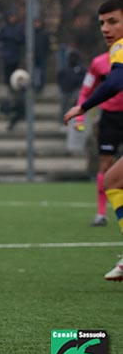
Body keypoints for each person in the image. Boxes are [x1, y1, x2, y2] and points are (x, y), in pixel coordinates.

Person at [64, 0, 123, 280]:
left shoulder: (120, 48)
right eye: (102, 23)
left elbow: (116, 82)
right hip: (111, 120)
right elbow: (93, 84)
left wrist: (83, 108)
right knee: (111, 179)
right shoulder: (103, 59)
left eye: (113, 21)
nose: (105, 28)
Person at [72, 51, 113, 227]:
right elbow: (85, 91)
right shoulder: (99, 63)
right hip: (110, 118)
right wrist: (80, 117)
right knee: (105, 165)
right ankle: (101, 214)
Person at [57, 49, 85, 124]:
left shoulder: (81, 68)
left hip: (76, 89)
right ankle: (62, 121)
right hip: (66, 90)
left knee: (77, 102)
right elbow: (60, 77)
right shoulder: (65, 68)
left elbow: (83, 78)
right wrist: (63, 86)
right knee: (64, 105)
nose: (73, 59)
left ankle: (76, 120)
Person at [0, 12, 25, 87]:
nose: (12, 19)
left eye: (13, 17)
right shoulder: (4, 28)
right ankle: (7, 83)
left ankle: (14, 85)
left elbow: (22, 39)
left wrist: (15, 38)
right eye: (11, 17)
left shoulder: (19, 28)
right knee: (7, 68)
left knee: (15, 69)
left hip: (16, 52)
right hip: (7, 52)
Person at [33, 18, 51, 94]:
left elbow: (47, 45)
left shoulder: (44, 33)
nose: (36, 24)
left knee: (42, 71)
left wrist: (45, 53)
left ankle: (41, 86)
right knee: (34, 71)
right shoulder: (32, 33)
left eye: (38, 23)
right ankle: (35, 85)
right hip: (34, 56)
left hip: (42, 55)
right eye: (35, 23)